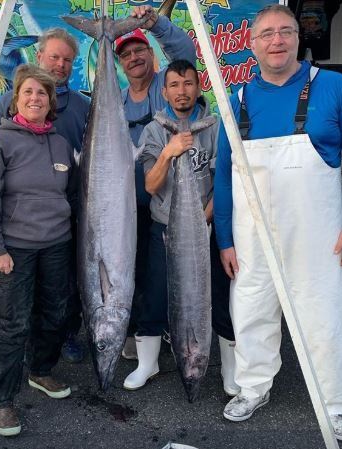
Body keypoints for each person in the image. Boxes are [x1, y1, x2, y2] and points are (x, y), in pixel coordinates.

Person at [213, 5, 342, 441]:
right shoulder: (238, 101)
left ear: (298, 37)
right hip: (252, 237)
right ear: (252, 44)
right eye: (266, 34)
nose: (277, 41)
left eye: (285, 31)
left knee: (324, 316)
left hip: (318, 234)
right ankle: (253, 387)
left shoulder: (334, 87)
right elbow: (225, 176)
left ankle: (336, 402)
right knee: (250, 313)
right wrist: (225, 239)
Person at [0, 64, 76, 437]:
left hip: (57, 245)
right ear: (16, 99)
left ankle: (40, 371)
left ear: (51, 103)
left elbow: (72, 196)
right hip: (13, 249)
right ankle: (2, 399)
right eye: (28, 92)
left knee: (55, 314)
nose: (35, 98)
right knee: (10, 324)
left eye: (42, 93)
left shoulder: (62, 144)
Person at [123, 60, 228, 390]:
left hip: (208, 227)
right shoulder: (155, 130)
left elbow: (222, 182)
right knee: (154, 295)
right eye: (174, 85)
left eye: (188, 83)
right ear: (165, 91)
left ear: (198, 88)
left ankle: (230, 371)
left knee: (219, 298)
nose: (181, 91)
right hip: (164, 228)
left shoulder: (215, 127)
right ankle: (147, 364)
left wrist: (203, 221)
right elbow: (152, 186)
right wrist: (169, 151)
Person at [0, 28, 89, 364]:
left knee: (66, 286)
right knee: (21, 293)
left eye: (67, 59)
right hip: (21, 224)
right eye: (54, 56)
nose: (60, 64)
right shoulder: (7, 102)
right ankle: (28, 346)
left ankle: (66, 335)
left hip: (68, 216)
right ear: (39, 56)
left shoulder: (83, 106)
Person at [116, 5, 197, 360]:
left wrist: (156, 23)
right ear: (120, 64)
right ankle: (138, 331)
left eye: (139, 50)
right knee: (131, 272)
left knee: (171, 273)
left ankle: (172, 330)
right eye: (126, 54)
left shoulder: (166, 87)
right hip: (125, 206)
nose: (133, 58)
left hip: (165, 205)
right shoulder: (115, 101)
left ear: (151, 55)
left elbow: (185, 54)